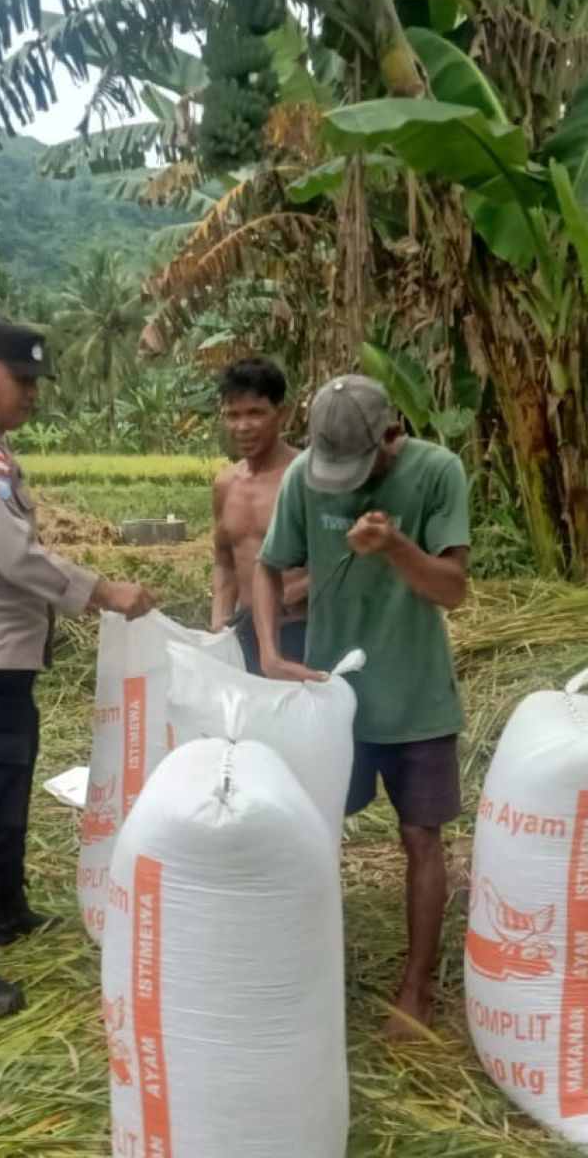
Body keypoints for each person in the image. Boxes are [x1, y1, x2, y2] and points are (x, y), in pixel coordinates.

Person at [0, 318, 155, 1019]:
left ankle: (7, 910)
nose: (29, 396)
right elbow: (15, 557)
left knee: (5, 791)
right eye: (21, 381)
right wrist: (104, 592)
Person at [251, 374, 471, 1040]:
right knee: (311, 832)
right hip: (329, 700)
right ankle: (303, 970)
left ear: (391, 437)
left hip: (414, 697)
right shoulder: (302, 482)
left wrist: (396, 547)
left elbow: (453, 590)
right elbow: (268, 566)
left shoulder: (437, 473)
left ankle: (416, 990)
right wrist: (267, 650)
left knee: (419, 838)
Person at [210, 357, 308, 674]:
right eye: (233, 415)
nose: (243, 426)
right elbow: (225, 562)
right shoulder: (226, 484)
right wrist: (219, 623)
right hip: (243, 636)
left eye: (255, 413)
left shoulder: (307, 477)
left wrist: (288, 595)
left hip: (303, 632)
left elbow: (342, 560)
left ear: (281, 413)